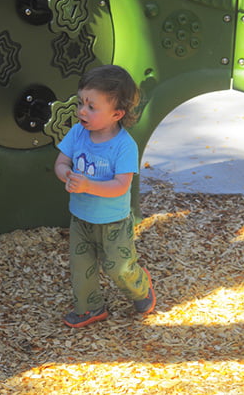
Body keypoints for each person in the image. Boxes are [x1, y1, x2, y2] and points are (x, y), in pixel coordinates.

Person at [54, 65, 156, 328]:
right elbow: (60, 163)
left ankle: (140, 287)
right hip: (81, 219)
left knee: (118, 268)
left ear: (116, 114)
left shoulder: (124, 146)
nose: (81, 111)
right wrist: (67, 175)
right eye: (81, 103)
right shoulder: (78, 133)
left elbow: (121, 186)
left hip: (113, 222)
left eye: (91, 106)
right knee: (81, 268)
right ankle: (90, 308)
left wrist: (87, 185)